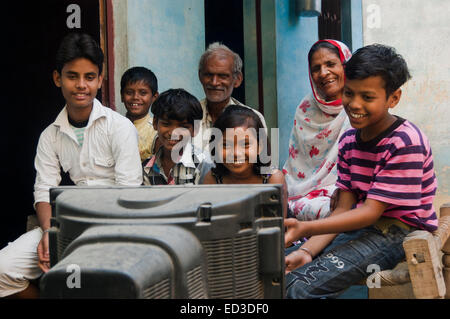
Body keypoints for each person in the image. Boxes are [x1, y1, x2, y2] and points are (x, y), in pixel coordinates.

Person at [284, 44, 438, 299]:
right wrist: (307, 251)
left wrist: (303, 228)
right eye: (349, 93)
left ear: (393, 98)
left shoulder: (405, 142)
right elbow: (343, 209)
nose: (354, 104)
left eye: (367, 97)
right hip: (364, 229)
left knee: (299, 287)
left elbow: (369, 212)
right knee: (280, 270)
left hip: (399, 232)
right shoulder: (349, 142)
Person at [0, 33, 142, 298]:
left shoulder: (119, 128)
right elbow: (44, 191)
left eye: (89, 77)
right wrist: (49, 233)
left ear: (100, 80)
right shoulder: (49, 135)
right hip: (65, 224)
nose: (81, 85)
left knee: (90, 283)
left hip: (117, 227)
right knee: (2, 270)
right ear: (58, 79)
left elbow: (129, 192)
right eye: (72, 76)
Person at [282, 39, 352, 221]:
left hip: (347, 189)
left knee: (344, 209)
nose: (323, 73)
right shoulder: (306, 108)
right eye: (316, 68)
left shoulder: (360, 104)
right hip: (302, 191)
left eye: (330, 64)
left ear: (346, 65)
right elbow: (298, 165)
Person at [202, 105, 287, 217]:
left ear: (260, 146)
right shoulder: (213, 179)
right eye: (226, 145)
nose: (236, 153)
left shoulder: (273, 179)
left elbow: (278, 225)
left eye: (245, 144)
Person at [194, 42, 267, 152]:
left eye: (222, 76)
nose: (214, 82)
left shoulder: (253, 118)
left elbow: (262, 162)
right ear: (200, 76)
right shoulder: (188, 116)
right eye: (209, 75)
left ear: (237, 79)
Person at [142, 88, 213, 185]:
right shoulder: (147, 168)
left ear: (195, 129)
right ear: (155, 123)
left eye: (183, 126)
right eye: (166, 124)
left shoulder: (203, 164)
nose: (173, 133)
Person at [120, 66, 159, 162]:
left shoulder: (155, 132)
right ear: (121, 96)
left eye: (143, 93)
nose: (135, 97)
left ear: (154, 97)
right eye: (129, 92)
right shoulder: (114, 126)